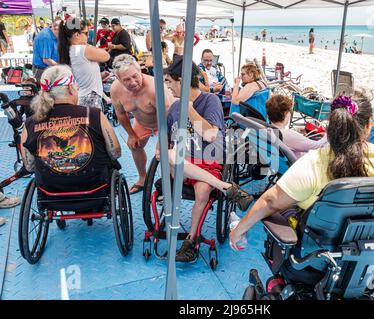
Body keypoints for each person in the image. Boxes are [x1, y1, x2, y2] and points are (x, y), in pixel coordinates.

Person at [230, 90, 374, 250]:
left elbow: (270, 201)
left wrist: (238, 231)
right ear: (368, 126)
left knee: (286, 210)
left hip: (318, 255)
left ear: (332, 125)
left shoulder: (315, 162)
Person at [163, 56, 254, 262]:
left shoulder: (209, 100)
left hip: (207, 160)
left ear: (182, 80)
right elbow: (168, 143)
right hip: (181, 163)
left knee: (203, 190)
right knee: (169, 154)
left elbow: (211, 136)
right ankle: (225, 187)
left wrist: (189, 107)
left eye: (169, 81)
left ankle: (191, 239)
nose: (167, 86)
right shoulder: (173, 109)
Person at [20, 65, 121, 194]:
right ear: (70, 88)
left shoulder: (30, 123)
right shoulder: (94, 115)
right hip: (95, 188)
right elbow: (115, 153)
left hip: (51, 191)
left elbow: (29, 166)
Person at [109, 54, 174, 194]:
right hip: (142, 122)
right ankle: (143, 178)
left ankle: (170, 183)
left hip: (167, 121)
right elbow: (120, 113)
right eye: (126, 79)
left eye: (135, 76)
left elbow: (167, 114)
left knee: (165, 152)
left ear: (140, 71)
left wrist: (164, 138)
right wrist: (131, 135)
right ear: (119, 79)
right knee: (133, 145)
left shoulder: (154, 88)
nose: (132, 82)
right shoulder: (115, 90)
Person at [58, 18, 110, 109]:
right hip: (90, 98)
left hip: (82, 96)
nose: (88, 36)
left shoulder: (70, 49)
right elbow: (106, 56)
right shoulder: (81, 49)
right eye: (86, 33)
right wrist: (88, 46)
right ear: (77, 34)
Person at [266, 95, 328, 159]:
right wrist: (327, 135)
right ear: (285, 113)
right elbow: (317, 146)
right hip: (298, 164)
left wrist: (296, 130)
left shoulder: (267, 129)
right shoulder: (289, 135)